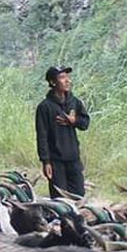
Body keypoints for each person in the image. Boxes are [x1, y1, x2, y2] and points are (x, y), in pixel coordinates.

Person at [35, 65, 90, 198]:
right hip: (55, 161)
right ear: (53, 82)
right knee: (59, 198)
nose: (67, 81)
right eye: (62, 77)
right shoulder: (44, 107)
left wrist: (73, 120)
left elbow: (85, 124)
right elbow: (42, 135)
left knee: (79, 196)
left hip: (73, 158)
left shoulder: (75, 102)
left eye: (68, 77)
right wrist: (45, 161)